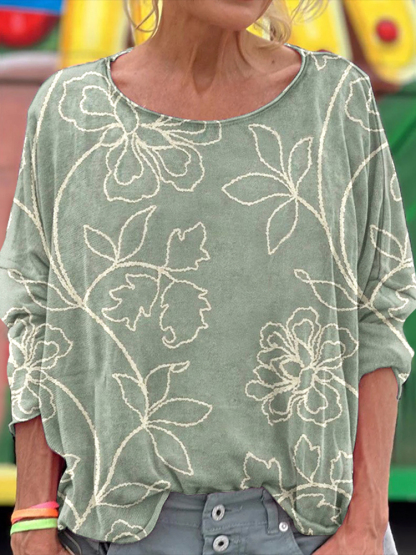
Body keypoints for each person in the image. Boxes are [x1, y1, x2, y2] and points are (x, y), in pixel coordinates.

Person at [1, 0, 414, 554]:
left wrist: (366, 525)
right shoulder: (69, 110)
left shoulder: (337, 101)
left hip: (311, 538)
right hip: (111, 536)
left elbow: (379, 312)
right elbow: (35, 317)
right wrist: (31, 519)